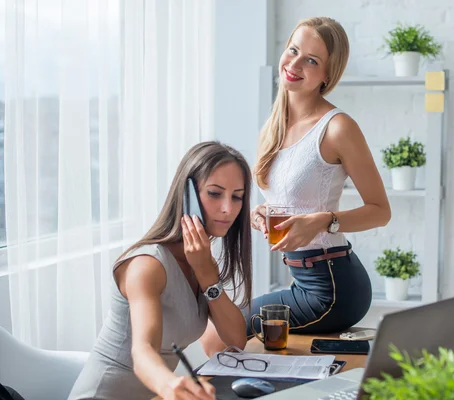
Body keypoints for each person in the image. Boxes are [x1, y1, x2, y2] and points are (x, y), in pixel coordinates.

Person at [69, 142, 253, 400]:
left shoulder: (200, 261)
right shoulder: (147, 265)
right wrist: (171, 385)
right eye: (214, 193)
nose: (228, 208)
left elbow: (235, 338)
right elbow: (143, 351)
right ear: (186, 196)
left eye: (237, 196)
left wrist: (206, 273)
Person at [248, 17, 391, 336]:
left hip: (332, 288)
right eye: (293, 50)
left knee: (226, 324)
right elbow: (288, 198)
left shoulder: (338, 127)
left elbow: (381, 212)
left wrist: (321, 220)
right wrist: (261, 212)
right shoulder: (273, 128)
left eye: (311, 60)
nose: (295, 64)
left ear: (328, 74)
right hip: (301, 278)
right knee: (231, 326)